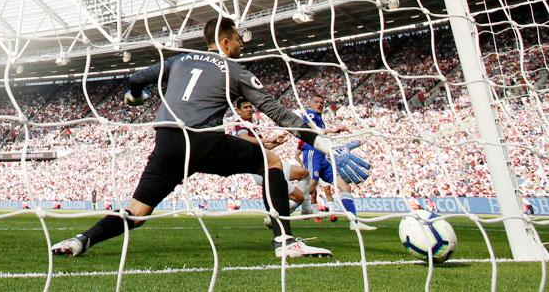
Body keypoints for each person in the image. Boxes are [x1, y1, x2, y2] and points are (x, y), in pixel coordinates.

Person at [52, 17, 367, 258]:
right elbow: (279, 114)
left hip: (168, 144)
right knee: (270, 161)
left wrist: (135, 96)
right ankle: (284, 239)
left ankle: (82, 240)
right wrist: (326, 145)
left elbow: (135, 78)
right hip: (203, 140)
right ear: (226, 42)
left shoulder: (179, 60)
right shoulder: (235, 69)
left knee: (136, 213)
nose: (240, 46)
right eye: (238, 41)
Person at [301, 94, 375, 231]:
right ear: (310, 104)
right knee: (311, 188)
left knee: (345, 187)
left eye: (322, 102)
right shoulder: (309, 114)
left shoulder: (320, 119)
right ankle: (283, 209)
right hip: (312, 153)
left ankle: (354, 222)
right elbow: (309, 128)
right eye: (316, 102)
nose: (320, 104)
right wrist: (333, 130)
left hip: (323, 156)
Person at [232, 97, 310, 219]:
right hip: (262, 170)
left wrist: (278, 142)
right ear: (238, 111)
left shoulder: (253, 126)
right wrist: (269, 138)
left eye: (250, 107)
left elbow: (265, 146)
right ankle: (273, 218)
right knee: (298, 197)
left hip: (271, 163)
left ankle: (306, 209)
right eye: (245, 107)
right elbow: (244, 138)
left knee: (304, 173)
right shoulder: (240, 124)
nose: (249, 109)